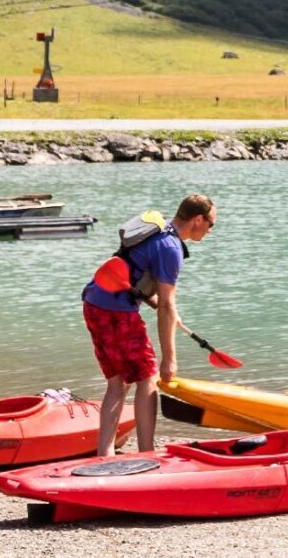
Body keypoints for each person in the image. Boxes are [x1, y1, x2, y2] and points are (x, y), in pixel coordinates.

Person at [81, 194, 217, 455]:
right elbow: (167, 305)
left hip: (94, 303)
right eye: (211, 225)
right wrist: (169, 359)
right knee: (147, 378)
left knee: (118, 381)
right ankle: (146, 452)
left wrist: (162, 308)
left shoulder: (160, 230)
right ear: (198, 219)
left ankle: (104, 453)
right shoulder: (171, 248)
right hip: (116, 311)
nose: (210, 231)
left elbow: (136, 279)